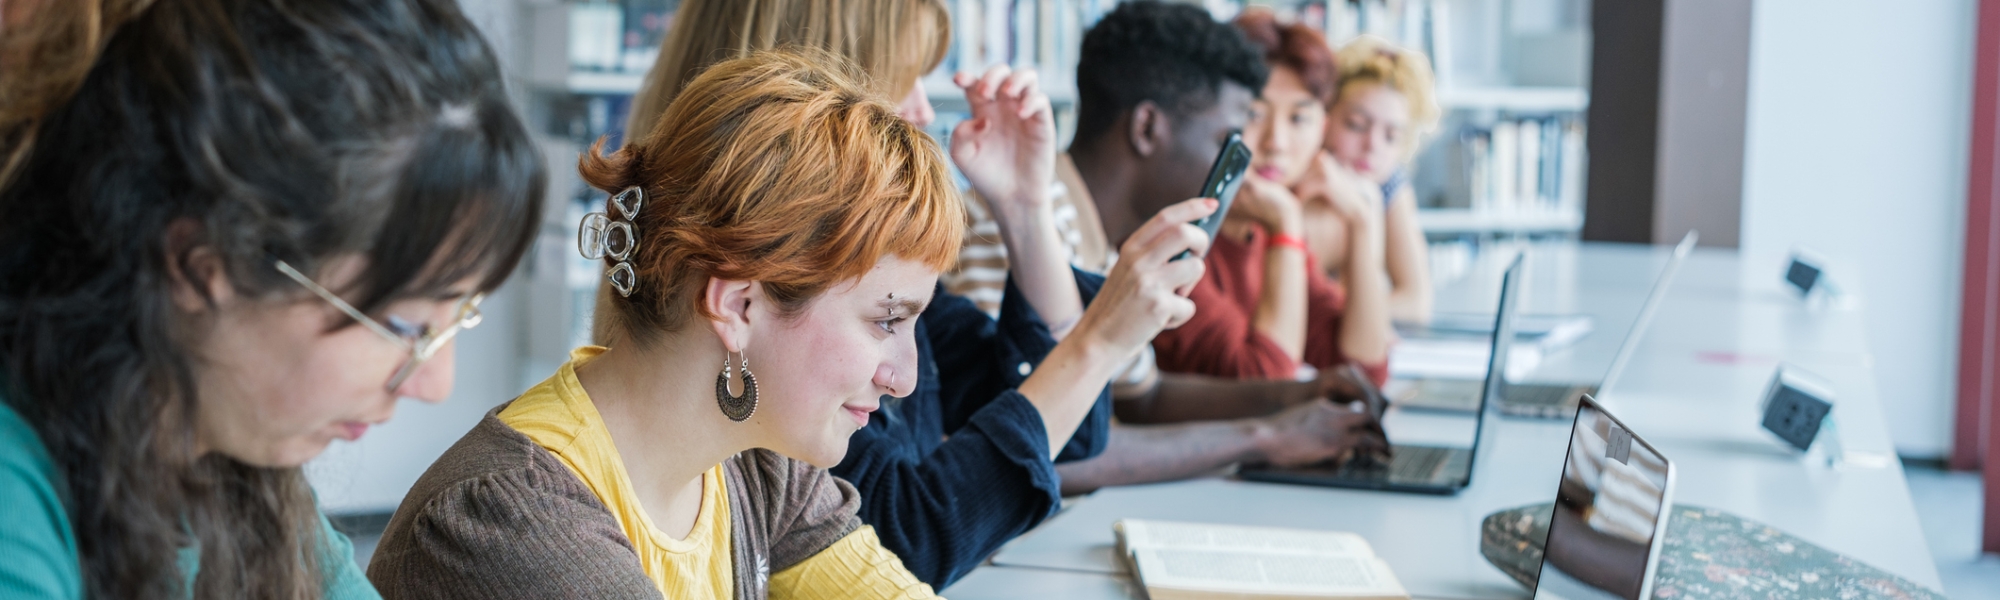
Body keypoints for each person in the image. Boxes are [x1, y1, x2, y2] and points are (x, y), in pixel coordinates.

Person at [605, 0, 1214, 587]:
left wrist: (1026, 210)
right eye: (905, 76)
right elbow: (909, 533)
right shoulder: (765, 427)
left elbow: (1065, 435)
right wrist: (1101, 341)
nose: (923, 107)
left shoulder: (784, 462)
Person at [0, 0, 545, 596]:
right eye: (404, 324)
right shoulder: (18, 507)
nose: (434, 384)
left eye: (457, 318)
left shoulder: (241, 473)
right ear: (203, 267)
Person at [947, 0, 1390, 496]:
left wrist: (1300, 395)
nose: (1236, 170)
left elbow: (1145, 396)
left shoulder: (1106, 242)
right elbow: (1026, 448)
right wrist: (1266, 438)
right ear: (1147, 129)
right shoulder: (1012, 222)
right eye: (1227, 142)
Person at [1128, 14, 1399, 384]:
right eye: (1255, 114)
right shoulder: (1178, 234)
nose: (1276, 142)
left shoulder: (1261, 232)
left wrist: (1363, 225)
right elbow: (1265, 383)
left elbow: (1365, 368)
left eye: (1299, 119)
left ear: (1322, 129)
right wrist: (1286, 224)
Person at [1309, 33, 1441, 323]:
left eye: (1391, 136)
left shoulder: (1388, 182)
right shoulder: (1300, 179)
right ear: (1325, 116)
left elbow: (1417, 303)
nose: (1373, 146)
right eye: (1356, 125)